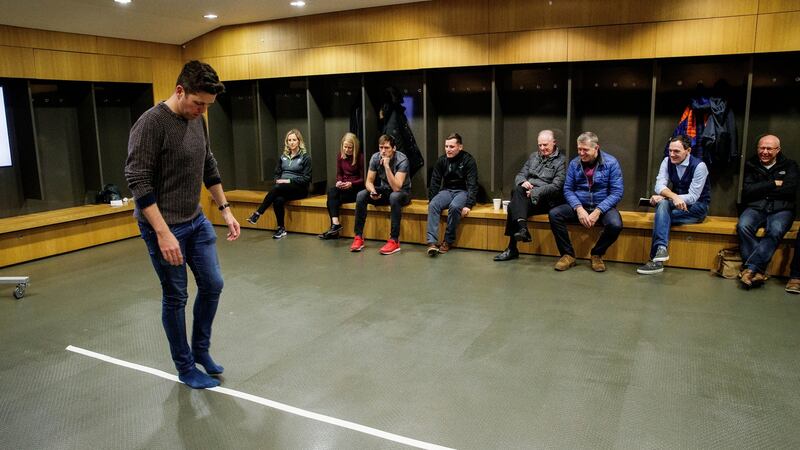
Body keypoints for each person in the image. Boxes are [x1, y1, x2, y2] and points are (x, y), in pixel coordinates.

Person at [125, 60, 240, 389]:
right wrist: (163, 234)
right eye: (198, 103)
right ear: (179, 91)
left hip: (196, 220)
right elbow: (138, 181)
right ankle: (185, 366)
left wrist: (226, 209)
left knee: (213, 284)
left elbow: (208, 163)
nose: (202, 111)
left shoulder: (198, 120)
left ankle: (201, 351)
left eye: (207, 105)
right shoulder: (151, 124)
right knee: (176, 296)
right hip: (164, 227)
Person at [548, 131, 624, 272]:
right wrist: (579, 208)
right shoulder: (574, 164)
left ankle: (597, 254)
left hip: (603, 207)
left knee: (615, 225)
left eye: (585, 150)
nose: (581, 153)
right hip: (580, 205)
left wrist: (598, 211)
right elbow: (568, 189)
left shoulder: (611, 163)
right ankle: (568, 255)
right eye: (579, 149)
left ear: (596, 148)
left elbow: (617, 192)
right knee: (554, 214)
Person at [637, 135, 710, 274]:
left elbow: (693, 197)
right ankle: (661, 251)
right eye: (670, 150)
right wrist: (673, 197)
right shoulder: (666, 161)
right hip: (676, 205)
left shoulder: (700, 166)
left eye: (676, 151)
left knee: (661, 214)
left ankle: (655, 261)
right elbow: (659, 185)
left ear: (688, 150)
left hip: (697, 208)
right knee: (663, 206)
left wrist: (666, 197)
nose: (672, 154)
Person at [735, 134, 799, 289]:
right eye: (761, 148)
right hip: (756, 207)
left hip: (782, 208)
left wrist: (762, 188)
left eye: (769, 148)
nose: (764, 152)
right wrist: (773, 184)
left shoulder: (790, 165)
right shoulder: (751, 164)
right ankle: (757, 270)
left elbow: (789, 190)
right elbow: (747, 191)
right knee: (743, 226)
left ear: (778, 150)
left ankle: (751, 268)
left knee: (775, 230)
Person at [494, 130, 566, 261]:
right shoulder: (533, 157)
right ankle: (523, 230)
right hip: (527, 197)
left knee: (512, 206)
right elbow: (520, 174)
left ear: (554, 143)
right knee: (517, 190)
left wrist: (536, 192)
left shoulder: (561, 161)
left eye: (545, 145)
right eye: (540, 145)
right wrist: (523, 182)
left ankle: (512, 248)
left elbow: (556, 187)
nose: (542, 148)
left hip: (547, 200)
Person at [350, 134, 411, 255]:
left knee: (394, 196)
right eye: (381, 147)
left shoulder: (402, 160)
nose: (383, 151)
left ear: (394, 148)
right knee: (362, 195)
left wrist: (387, 166)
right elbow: (369, 181)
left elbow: (396, 187)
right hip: (385, 190)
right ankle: (358, 237)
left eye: (387, 148)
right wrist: (372, 191)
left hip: (402, 193)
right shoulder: (375, 158)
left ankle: (394, 240)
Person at [246, 129, 312, 239]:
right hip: (282, 188)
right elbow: (277, 173)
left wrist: (288, 181)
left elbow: (307, 179)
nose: (291, 142)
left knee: (278, 188)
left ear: (299, 141)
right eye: (289, 140)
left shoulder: (305, 157)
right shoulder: (283, 157)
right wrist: (278, 180)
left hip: (299, 189)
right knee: (278, 200)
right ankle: (281, 228)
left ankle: (258, 213)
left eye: (294, 140)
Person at [425, 133, 479, 256]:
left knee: (455, 207)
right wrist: (432, 198)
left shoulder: (468, 160)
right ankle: (432, 243)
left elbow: (472, 184)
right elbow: (435, 181)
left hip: (463, 192)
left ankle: (448, 241)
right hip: (447, 191)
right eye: (446, 146)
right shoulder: (442, 161)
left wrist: (469, 204)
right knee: (433, 204)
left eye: (451, 147)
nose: (448, 149)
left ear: (460, 147)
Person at [319, 132, 364, 239]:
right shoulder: (340, 155)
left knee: (333, 200)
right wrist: (339, 181)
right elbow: (339, 174)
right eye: (345, 147)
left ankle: (334, 229)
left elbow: (363, 179)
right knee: (332, 192)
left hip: (356, 189)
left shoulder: (360, 157)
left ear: (355, 147)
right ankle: (335, 224)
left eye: (350, 147)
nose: (347, 150)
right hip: (343, 187)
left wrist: (351, 183)